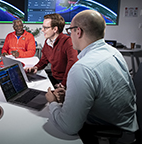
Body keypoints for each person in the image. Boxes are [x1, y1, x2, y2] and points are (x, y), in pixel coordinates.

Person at [45, 10, 138, 143]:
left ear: (78, 32)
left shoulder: (82, 68)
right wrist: (71, 94)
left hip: (111, 134)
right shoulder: (114, 53)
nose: (69, 35)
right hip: (127, 125)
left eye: (70, 30)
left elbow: (68, 126)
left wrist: (52, 102)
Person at [25, 13, 78, 87]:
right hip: (55, 77)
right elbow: (44, 60)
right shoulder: (48, 42)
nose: (42, 30)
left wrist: (63, 84)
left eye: (45, 28)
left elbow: (72, 65)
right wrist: (36, 67)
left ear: (55, 29)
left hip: (66, 82)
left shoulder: (67, 42)